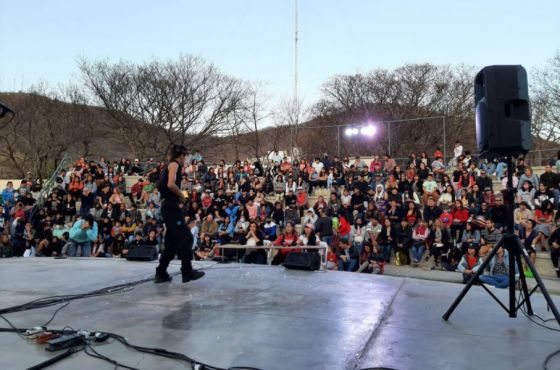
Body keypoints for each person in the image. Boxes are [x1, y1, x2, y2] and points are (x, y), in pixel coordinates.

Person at [155, 144, 205, 283]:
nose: (186, 159)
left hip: (169, 207)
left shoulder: (170, 165)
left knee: (171, 244)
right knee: (186, 238)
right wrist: (182, 195)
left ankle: (161, 272)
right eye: (185, 156)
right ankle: (187, 271)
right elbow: (171, 184)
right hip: (171, 208)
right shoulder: (174, 165)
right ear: (181, 155)